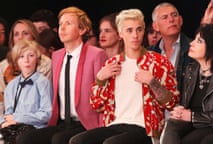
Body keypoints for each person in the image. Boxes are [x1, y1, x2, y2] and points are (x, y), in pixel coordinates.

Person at [69, 8, 180, 144]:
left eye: (139, 29)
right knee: (77, 141)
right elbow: (96, 105)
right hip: (115, 124)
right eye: (129, 30)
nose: (135, 35)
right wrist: (100, 79)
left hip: (145, 128)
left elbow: (171, 102)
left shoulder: (159, 62)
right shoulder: (112, 64)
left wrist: (152, 82)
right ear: (120, 34)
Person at [16, 6, 108, 144]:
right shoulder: (57, 56)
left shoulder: (96, 54)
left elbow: (103, 92)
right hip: (62, 122)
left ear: (82, 29)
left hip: (86, 122)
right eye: (60, 24)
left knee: (59, 140)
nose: (62, 28)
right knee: (25, 138)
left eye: (68, 24)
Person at [161, 24, 213, 144]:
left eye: (199, 41)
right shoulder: (190, 70)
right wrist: (180, 110)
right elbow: (185, 103)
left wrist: (193, 116)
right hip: (191, 122)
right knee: (172, 124)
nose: (191, 43)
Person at [0, 39, 52, 144]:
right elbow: (8, 113)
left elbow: (47, 114)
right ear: (16, 61)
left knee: (23, 138)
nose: (26, 60)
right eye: (21, 56)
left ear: (37, 59)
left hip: (35, 128)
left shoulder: (43, 83)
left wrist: (18, 118)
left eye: (31, 56)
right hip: (14, 128)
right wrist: (4, 121)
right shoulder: (12, 85)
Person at [150, 2, 193, 92]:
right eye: (164, 17)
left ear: (181, 20)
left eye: (174, 15)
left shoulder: (193, 48)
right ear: (155, 26)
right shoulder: (149, 53)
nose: (171, 20)